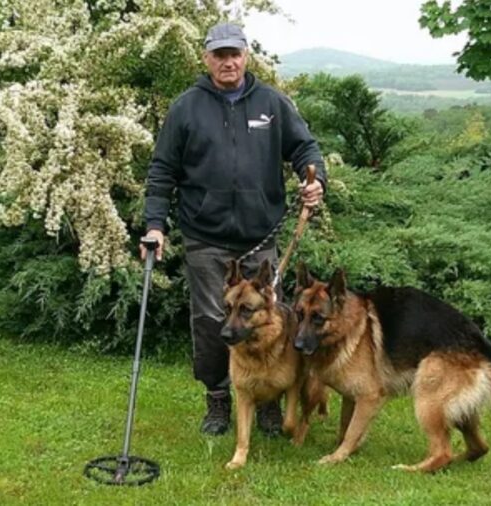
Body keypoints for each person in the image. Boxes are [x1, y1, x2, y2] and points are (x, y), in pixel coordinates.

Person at [140, 22, 326, 436]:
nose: (228, 61)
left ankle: (269, 402)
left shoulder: (272, 103)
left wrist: (315, 180)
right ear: (206, 58)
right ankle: (219, 399)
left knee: (269, 318)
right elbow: (162, 170)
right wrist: (155, 225)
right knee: (211, 320)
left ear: (246, 55)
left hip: (260, 236)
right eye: (219, 54)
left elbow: (305, 148)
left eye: (235, 53)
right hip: (205, 237)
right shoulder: (186, 107)